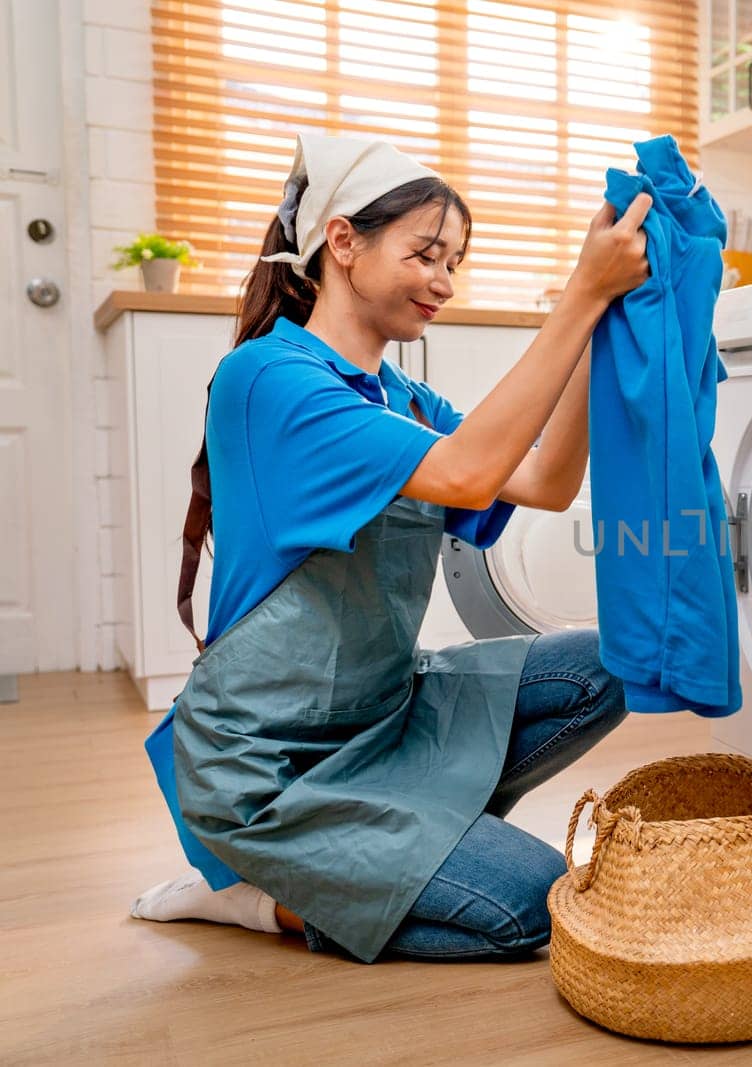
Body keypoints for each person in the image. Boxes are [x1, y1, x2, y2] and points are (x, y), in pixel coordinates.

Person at [128, 133, 653, 963]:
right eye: (426, 254)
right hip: (274, 771)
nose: (444, 282)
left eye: (455, 261)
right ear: (343, 243)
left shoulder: (399, 397)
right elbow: (474, 472)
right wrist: (579, 297)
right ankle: (251, 893)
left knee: (621, 657)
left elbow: (547, 479)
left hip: (385, 715)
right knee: (530, 908)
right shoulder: (269, 379)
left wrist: (602, 326)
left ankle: (412, 842)